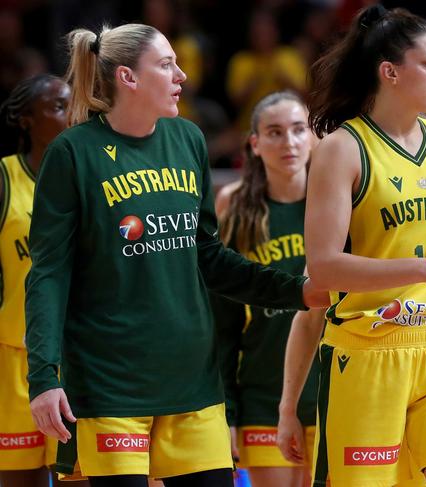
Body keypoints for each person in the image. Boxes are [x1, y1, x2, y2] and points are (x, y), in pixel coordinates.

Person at [24, 24, 326, 487]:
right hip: (112, 385)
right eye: (166, 65)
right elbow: (48, 274)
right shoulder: (72, 153)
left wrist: (298, 291)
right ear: (128, 77)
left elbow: (209, 256)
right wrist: (44, 377)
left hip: (195, 383)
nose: (182, 74)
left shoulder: (187, 140)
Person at [278, 6, 426, 486]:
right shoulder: (342, 148)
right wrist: (425, 270)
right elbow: (324, 268)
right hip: (367, 352)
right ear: (390, 71)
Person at [212, 91, 318, 487]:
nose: (288, 142)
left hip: (338, 388)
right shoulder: (234, 207)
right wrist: (228, 411)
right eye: (274, 133)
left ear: (313, 136)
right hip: (263, 393)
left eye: (297, 130)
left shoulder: (344, 198)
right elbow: (221, 320)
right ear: (254, 143)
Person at [0, 75, 85, 487]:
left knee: (81, 478)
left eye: (73, 106)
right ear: (27, 120)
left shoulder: (90, 175)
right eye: (56, 107)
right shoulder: (4, 179)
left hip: (76, 360)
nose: (69, 115)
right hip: (11, 359)